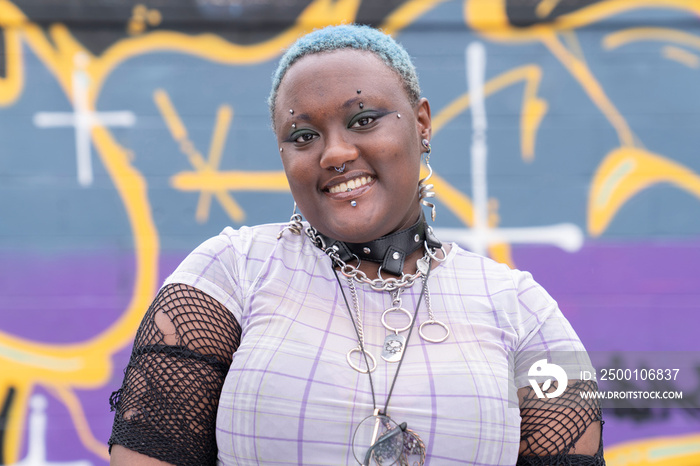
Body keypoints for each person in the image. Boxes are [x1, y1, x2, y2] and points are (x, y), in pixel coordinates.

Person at [108, 24, 604, 466]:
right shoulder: (230, 273)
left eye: (363, 120)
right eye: (303, 136)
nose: (336, 153)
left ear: (422, 124)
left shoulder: (521, 309)